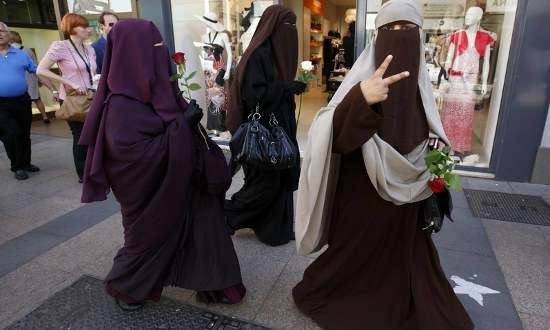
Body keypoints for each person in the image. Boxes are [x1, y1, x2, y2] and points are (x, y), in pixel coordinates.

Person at [293, 1, 474, 329]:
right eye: (391, 30)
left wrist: (433, 142)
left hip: (406, 200)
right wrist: (362, 97)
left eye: (408, 31)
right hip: (361, 185)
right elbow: (332, 134)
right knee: (357, 244)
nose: (400, 37)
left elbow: (429, 121)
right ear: (378, 37)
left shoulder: (421, 83)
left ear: (419, 37)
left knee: (399, 249)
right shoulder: (360, 80)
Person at [79, 19, 245, 311]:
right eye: (154, 47)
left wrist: (186, 126)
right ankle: (127, 287)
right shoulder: (121, 104)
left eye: (161, 45)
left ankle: (214, 280)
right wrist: (183, 126)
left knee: (202, 221)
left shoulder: (159, 86)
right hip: (149, 193)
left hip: (182, 177)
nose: (162, 52)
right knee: (149, 239)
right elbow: (135, 158)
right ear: (134, 53)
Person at [225, 5, 306, 247]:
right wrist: (286, 88)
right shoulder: (259, 54)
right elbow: (254, 95)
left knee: (279, 179)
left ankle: (273, 229)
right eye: (286, 26)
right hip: (264, 132)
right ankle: (225, 216)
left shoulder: (276, 54)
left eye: (293, 26)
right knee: (266, 184)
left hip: (279, 128)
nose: (290, 32)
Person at [37, 13, 97, 183]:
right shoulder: (60, 46)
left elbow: (90, 73)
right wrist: (67, 82)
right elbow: (41, 70)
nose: (87, 29)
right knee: (80, 135)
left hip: (90, 97)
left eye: (87, 26)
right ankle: (83, 173)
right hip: (72, 99)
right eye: (83, 26)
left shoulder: (89, 48)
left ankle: (93, 168)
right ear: (71, 28)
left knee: (92, 134)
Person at [0, 22, 41, 180]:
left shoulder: (20, 54)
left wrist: (55, 87)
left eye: (1, 30)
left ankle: (26, 163)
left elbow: (36, 69)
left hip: (22, 100)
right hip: (1, 104)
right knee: (10, 134)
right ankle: (16, 166)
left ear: (8, 34)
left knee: (24, 133)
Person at [9, 31, 57, 124]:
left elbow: (37, 68)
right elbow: (37, 67)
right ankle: (44, 116)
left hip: (25, 78)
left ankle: (28, 119)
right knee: (36, 98)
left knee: (27, 101)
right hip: (31, 78)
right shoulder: (28, 50)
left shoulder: (14, 51)